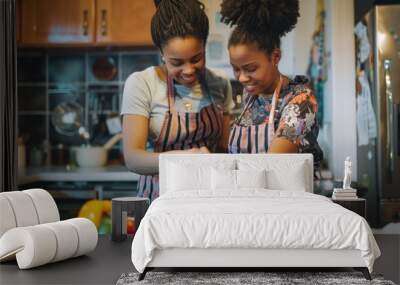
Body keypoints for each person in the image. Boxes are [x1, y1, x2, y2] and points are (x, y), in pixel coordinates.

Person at [121, 0, 234, 201]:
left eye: (196, 58)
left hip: (209, 198)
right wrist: (186, 159)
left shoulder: (219, 84)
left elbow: (225, 148)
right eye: (177, 62)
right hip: (159, 199)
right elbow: (133, 158)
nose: (189, 70)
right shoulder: (142, 84)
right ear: (162, 53)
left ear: (204, 46)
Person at [220, 0, 323, 170]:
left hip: (285, 195)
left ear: (275, 57)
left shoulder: (300, 101)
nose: (242, 78)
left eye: (250, 68)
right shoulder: (251, 96)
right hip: (246, 193)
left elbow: (273, 166)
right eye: (236, 69)